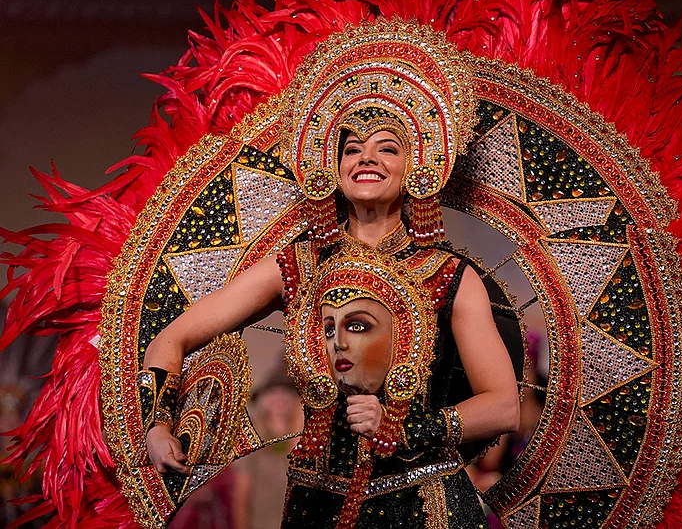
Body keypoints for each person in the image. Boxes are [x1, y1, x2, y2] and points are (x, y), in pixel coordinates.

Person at [141, 27, 520, 526]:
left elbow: (504, 407)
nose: (366, 157)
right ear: (331, 168)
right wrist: (157, 422)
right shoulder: (300, 266)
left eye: (387, 147)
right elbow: (174, 336)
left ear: (417, 166)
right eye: (351, 148)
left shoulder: (447, 275)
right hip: (315, 505)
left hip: (422, 507)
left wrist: (407, 430)